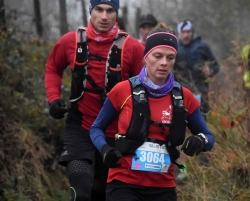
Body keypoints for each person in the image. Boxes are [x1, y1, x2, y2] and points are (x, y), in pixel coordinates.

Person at [90, 23, 214, 201]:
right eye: (158, 56)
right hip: (124, 184)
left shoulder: (184, 97)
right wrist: (105, 150)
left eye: (170, 58)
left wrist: (200, 139)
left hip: (163, 187)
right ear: (145, 57)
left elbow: (209, 137)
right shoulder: (123, 90)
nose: (164, 63)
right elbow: (96, 128)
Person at [44, 0, 144, 200]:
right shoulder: (69, 41)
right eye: (99, 9)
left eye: (110, 10)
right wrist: (53, 99)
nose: (104, 16)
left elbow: (147, 89)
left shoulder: (133, 48)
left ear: (116, 13)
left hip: (117, 134)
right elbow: (53, 68)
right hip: (81, 127)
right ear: (91, 11)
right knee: (81, 193)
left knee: (103, 193)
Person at [175, 20, 219, 119]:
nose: (186, 35)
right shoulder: (175, 48)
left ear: (193, 32)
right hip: (181, 93)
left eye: (188, 32)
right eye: (183, 32)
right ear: (179, 34)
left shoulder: (202, 46)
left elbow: (216, 65)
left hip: (201, 92)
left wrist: (210, 70)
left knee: (201, 122)